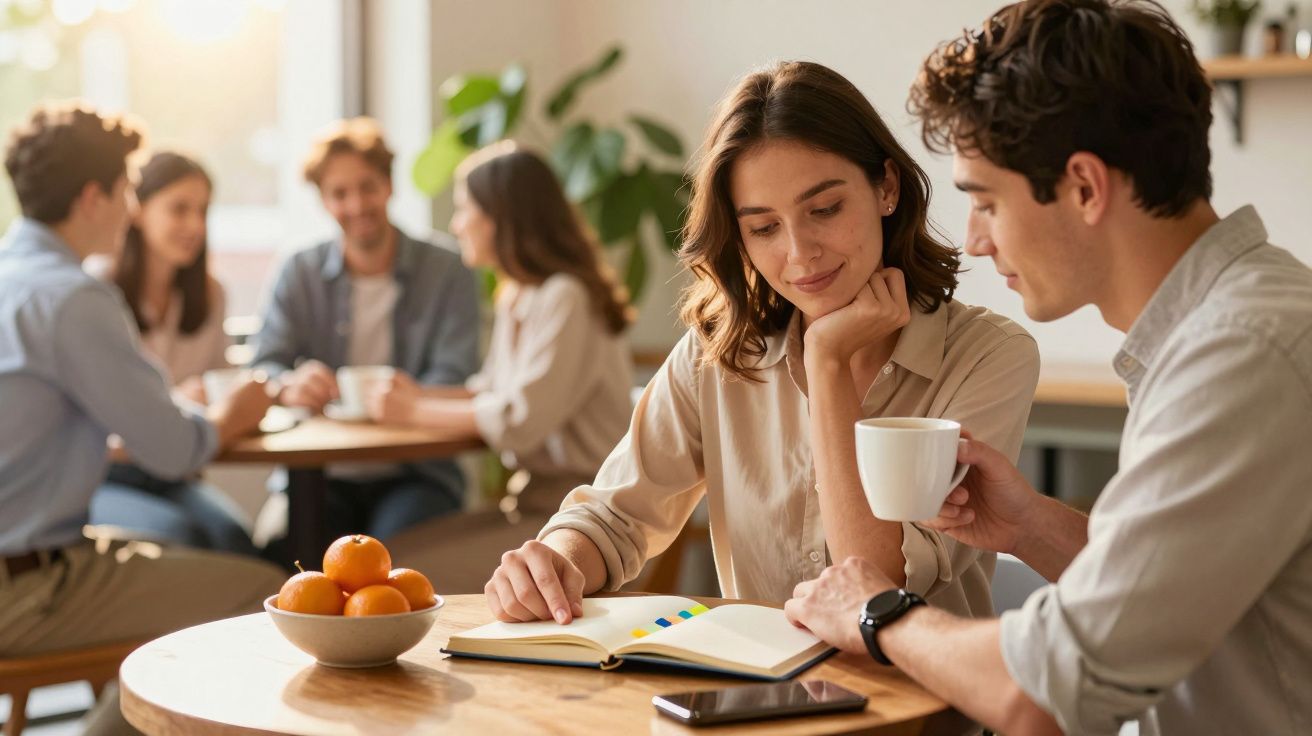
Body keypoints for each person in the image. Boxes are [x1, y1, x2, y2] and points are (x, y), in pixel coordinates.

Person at [784, 2, 1312, 735]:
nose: (973, 242)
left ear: (1085, 188)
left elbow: (1047, 693)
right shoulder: (1236, 324)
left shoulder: (1241, 353)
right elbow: (1169, 594)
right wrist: (1031, 526)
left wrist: (876, 613)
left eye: (985, 201)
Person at [484, 61, 1040, 626]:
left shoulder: (988, 357)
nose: (800, 253)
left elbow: (874, 589)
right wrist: (554, 562)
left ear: (886, 187)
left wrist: (826, 363)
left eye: (824, 209)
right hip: (754, 702)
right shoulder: (718, 354)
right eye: (764, 228)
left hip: (920, 708)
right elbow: (615, 517)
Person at [0, 103, 284, 735]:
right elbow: (175, 449)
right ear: (93, 197)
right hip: (25, 587)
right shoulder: (73, 298)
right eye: (128, 189)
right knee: (266, 598)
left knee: (199, 554)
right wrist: (234, 414)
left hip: (44, 553)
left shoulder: (13, 277)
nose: (132, 207)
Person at [370, 143, 634, 591]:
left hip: (584, 520)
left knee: (390, 574)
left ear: (501, 217)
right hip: (532, 505)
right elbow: (489, 390)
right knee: (385, 554)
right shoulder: (519, 294)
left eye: (463, 210)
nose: (456, 225)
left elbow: (519, 421)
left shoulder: (565, 296)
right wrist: (416, 395)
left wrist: (413, 412)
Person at [250, 117, 480, 546]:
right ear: (322, 200)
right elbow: (265, 362)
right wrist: (289, 385)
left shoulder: (448, 269)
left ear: (389, 186)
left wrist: (401, 404)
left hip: (416, 472)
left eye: (367, 187)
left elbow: (454, 373)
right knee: (282, 547)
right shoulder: (299, 270)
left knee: (389, 560)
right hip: (317, 473)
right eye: (340, 193)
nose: (357, 205)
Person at [87, 151, 257, 555]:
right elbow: (96, 419)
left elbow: (218, 392)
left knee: (237, 541)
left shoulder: (211, 294)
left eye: (202, 211)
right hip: (106, 476)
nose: (194, 226)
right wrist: (180, 404)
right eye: (179, 209)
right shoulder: (96, 290)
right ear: (138, 209)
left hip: (173, 474)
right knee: (184, 538)